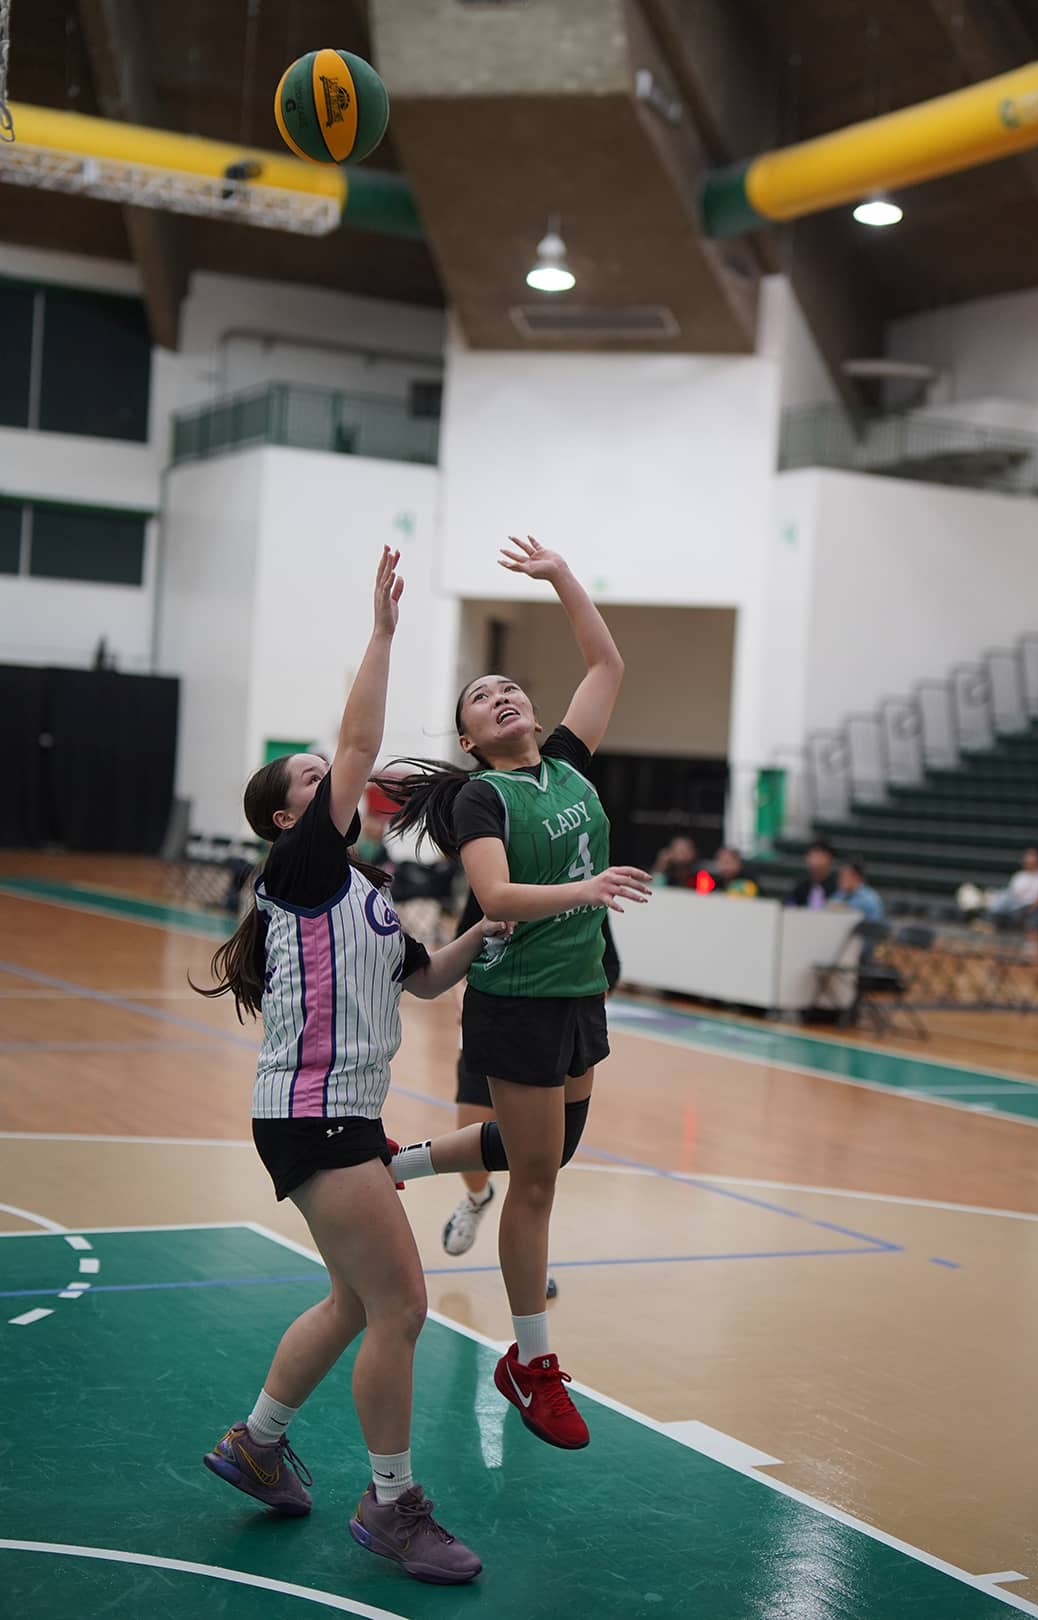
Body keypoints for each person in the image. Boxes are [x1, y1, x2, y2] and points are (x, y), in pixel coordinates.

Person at [195, 548, 494, 1586]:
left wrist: (491, 933)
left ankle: (257, 1442)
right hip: (314, 1115)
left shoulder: (362, 889)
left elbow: (425, 980)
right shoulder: (304, 865)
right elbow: (359, 739)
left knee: (359, 1302)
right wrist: (382, 632)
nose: (335, 782)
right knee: (402, 1306)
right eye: (314, 781)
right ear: (286, 819)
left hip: (338, 1115)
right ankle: (394, 1505)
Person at [377, 535, 651, 1453]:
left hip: (579, 991)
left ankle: (401, 1164)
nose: (504, 696)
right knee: (535, 1180)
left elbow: (607, 660)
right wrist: (589, 889)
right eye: (482, 699)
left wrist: (564, 574)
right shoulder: (479, 801)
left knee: (554, 1149)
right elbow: (493, 900)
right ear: (470, 739)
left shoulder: (568, 762)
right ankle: (530, 1363)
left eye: (508, 688)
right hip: (518, 997)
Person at [441, 896, 622, 1272]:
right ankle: (477, 1197)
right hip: (494, 1023)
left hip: (551, 1036)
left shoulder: (579, 891)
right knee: (473, 1146)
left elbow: (610, 967)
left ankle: (532, 1261)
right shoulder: (494, 885)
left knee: (538, 1168)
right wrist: (462, 997)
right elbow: (464, 950)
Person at [987, 847, 1038, 922]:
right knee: (1002, 895)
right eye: (1027, 857)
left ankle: (990, 919)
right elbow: (1012, 893)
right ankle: (991, 917)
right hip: (1014, 905)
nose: (1029, 860)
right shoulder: (1019, 875)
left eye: (1032, 857)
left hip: (1029, 907)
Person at [786, 841, 838, 909]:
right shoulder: (801, 884)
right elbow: (790, 903)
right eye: (814, 856)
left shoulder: (837, 885)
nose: (817, 861)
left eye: (821, 856)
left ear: (829, 858)